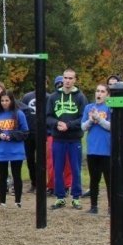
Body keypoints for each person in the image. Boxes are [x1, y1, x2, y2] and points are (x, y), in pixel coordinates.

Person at [46, 68, 87, 209]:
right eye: (66, 78)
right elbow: (48, 116)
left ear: (75, 80)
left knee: (75, 169)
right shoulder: (53, 97)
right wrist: (57, 123)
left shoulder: (80, 97)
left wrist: (68, 125)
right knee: (58, 169)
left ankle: (76, 197)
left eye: (71, 78)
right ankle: (60, 197)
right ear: (62, 79)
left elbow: (83, 117)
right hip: (58, 139)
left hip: (74, 139)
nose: (68, 81)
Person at [0, 91, 29, 207]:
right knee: (2, 176)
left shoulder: (19, 114)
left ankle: (18, 201)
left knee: (16, 176)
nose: (4, 103)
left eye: (7, 100)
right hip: (1, 151)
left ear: (11, 101)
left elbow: (25, 132)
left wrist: (12, 135)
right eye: (2, 100)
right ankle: (2, 201)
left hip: (16, 151)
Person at [81, 83, 112, 215]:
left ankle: (112, 207)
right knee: (94, 179)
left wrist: (99, 119)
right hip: (92, 149)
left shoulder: (110, 107)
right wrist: (90, 120)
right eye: (97, 91)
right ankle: (94, 206)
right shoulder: (89, 107)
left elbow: (112, 127)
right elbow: (83, 127)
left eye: (102, 91)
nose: (99, 94)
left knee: (109, 180)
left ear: (108, 94)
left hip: (107, 150)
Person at [19, 87, 39, 193]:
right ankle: (34, 183)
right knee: (30, 159)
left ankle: (42, 183)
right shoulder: (27, 97)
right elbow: (22, 112)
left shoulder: (49, 97)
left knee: (41, 160)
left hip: (42, 134)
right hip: (29, 133)